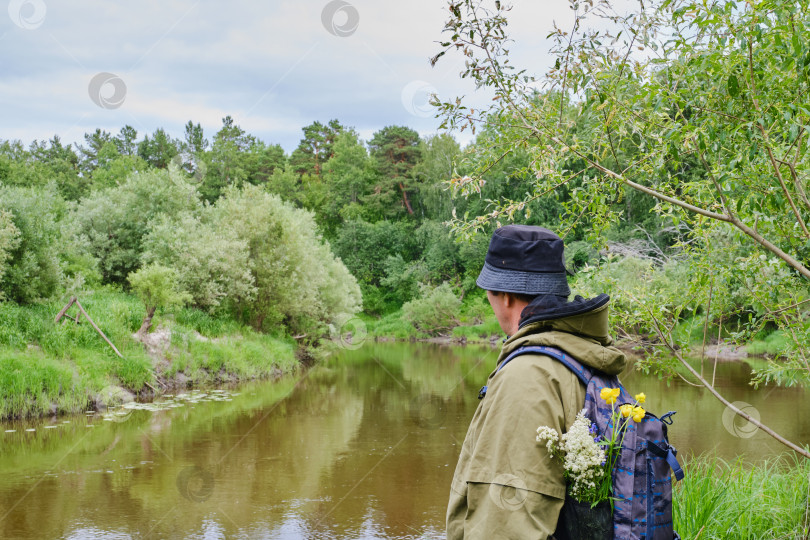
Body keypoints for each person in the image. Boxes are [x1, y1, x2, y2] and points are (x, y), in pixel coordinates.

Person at [446, 225, 627, 539]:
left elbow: (506, 525)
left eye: (488, 292)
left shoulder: (527, 376)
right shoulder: (586, 358)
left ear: (503, 296)